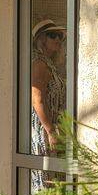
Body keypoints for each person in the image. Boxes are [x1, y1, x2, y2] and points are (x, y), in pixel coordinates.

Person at [29, 19, 66, 157]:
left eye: (60, 36)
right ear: (41, 39)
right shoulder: (40, 64)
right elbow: (37, 100)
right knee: (44, 176)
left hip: (51, 127)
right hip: (43, 129)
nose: (58, 39)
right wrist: (50, 131)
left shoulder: (48, 63)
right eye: (52, 35)